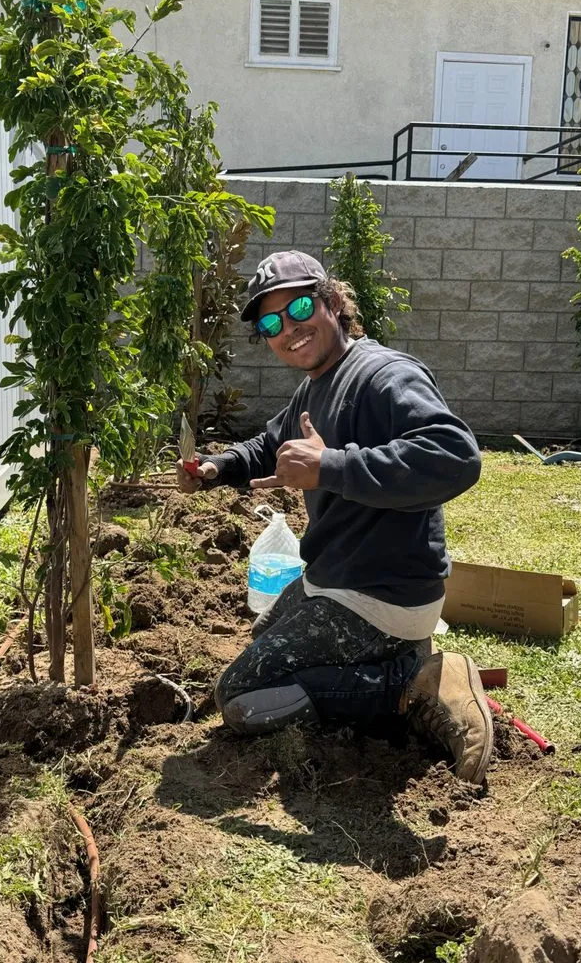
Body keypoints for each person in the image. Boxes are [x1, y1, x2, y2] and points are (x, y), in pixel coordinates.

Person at [176, 250, 494, 785]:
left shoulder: (382, 374)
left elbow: (454, 457)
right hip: (337, 581)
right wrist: (218, 466)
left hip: (381, 594)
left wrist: (329, 466)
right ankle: (406, 655)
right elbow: (271, 443)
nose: (289, 329)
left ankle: (410, 684)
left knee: (242, 698)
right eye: (271, 323)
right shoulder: (317, 383)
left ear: (331, 301)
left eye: (299, 307)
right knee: (264, 639)